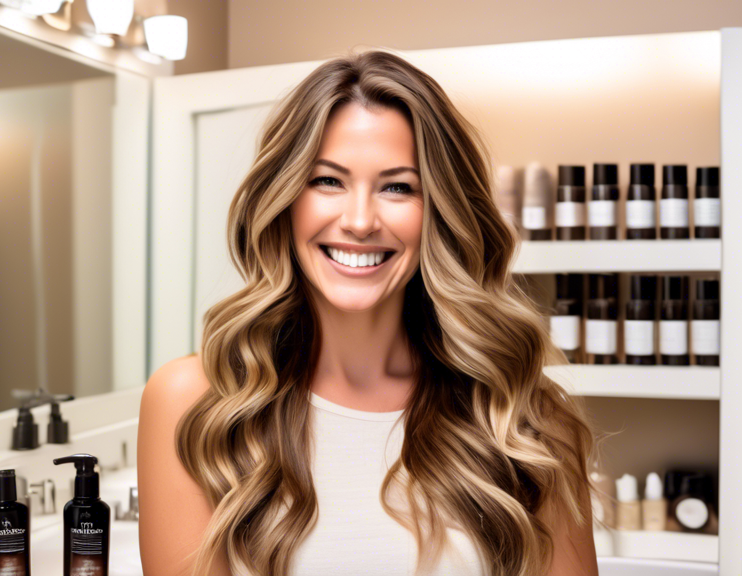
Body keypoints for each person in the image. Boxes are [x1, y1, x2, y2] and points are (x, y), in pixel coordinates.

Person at [138, 49, 599, 576]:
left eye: (398, 187)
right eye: (327, 180)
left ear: (440, 214)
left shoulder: (524, 416)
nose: (359, 221)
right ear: (285, 199)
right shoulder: (196, 403)